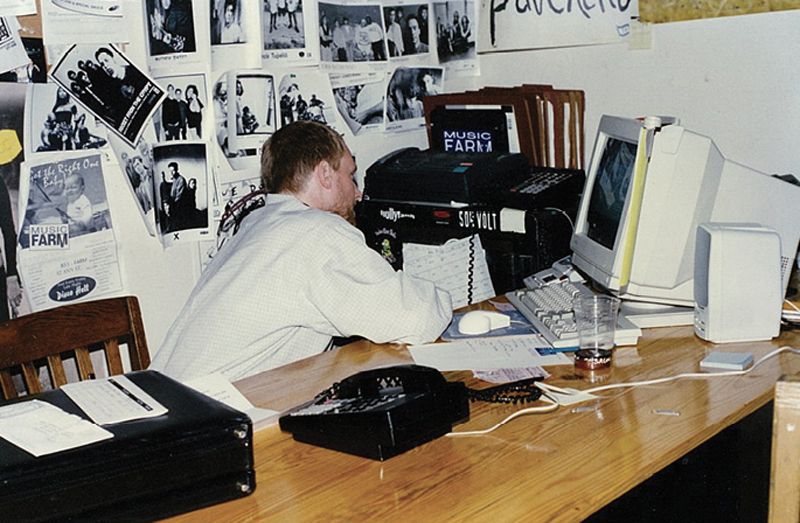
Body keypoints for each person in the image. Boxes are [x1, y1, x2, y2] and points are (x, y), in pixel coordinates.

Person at [151, 120, 452, 382]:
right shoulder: (316, 232)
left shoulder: (256, 222)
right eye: (351, 175)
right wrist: (446, 298)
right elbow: (417, 318)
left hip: (164, 404)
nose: (357, 193)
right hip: (206, 425)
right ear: (325, 174)